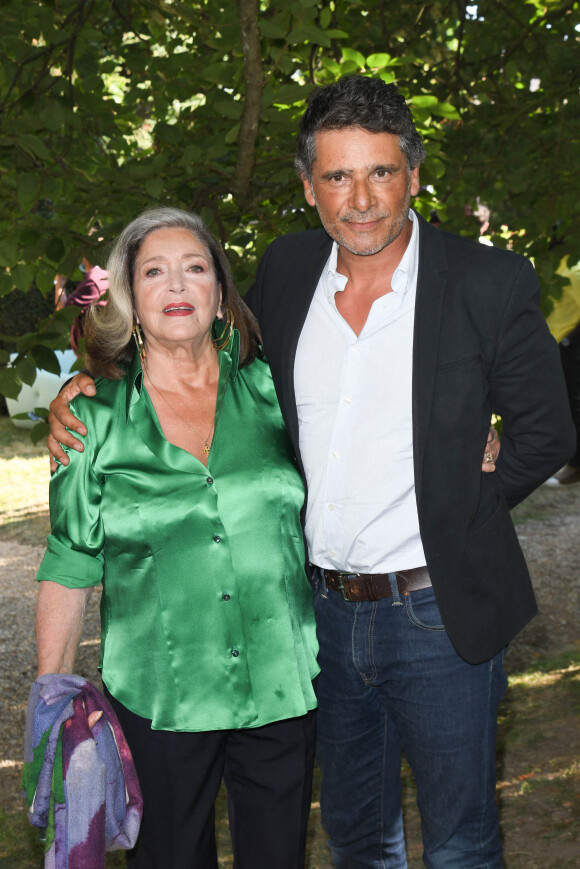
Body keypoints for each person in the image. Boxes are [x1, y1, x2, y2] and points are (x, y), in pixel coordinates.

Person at [47, 77, 575, 868]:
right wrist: (85, 382)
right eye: (336, 176)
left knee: (461, 842)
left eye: (380, 173)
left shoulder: (486, 282)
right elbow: (197, 356)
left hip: (439, 611)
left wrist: (469, 497)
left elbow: (547, 430)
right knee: (356, 836)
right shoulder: (288, 275)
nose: (360, 199)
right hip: (318, 620)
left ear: (413, 176)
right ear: (308, 187)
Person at [37, 207, 319, 869]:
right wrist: (52, 699)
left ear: (220, 293)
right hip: (158, 698)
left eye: (195, 269)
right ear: (129, 298)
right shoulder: (90, 415)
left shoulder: (276, 385)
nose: (177, 286)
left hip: (281, 682)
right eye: (155, 273)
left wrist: (476, 436)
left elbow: (368, 434)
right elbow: (70, 562)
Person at [544, 256, 580, 486]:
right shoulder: (551, 266)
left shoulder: (573, 272)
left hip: (566, 346)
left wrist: (569, 339)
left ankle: (575, 465)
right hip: (548, 344)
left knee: (573, 405)